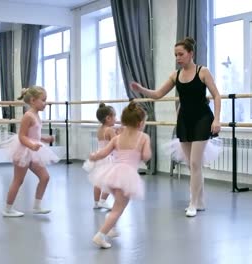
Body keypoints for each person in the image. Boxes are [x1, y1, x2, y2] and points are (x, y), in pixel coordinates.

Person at [130, 37, 222, 217]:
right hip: (185, 121)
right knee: (191, 164)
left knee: (195, 163)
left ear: (190, 54)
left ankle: (193, 203)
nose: (178, 58)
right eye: (175, 55)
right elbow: (157, 94)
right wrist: (141, 89)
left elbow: (217, 96)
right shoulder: (175, 75)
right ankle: (200, 200)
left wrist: (216, 120)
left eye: (181, 54)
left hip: (202, 119)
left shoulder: (202, 72)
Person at [88, 101, 151, 249]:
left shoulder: (117, 138)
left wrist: (94, 156)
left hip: (113, 173)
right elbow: (147, 156)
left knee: (118, 205)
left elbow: (103, 153)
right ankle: (101, 235)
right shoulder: (143, 138)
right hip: (126, 176)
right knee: (118, 208)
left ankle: (111, 228)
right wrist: (141, 154)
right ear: (141, 123)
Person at [2, 86, 59, 217]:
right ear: (33, 100)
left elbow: (34, 135)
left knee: (45, 177)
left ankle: (37, 206)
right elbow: (22, 136)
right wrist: (31, 146)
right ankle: (7, 209)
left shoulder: (36, 115)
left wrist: (45, 139)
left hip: (33, 150)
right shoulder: (28, 116)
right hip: (23, 150)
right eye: (43, 100)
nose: (45, 103)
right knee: (18, 180)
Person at [83, 103, 118, 210]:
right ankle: (103, 201)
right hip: (108, 158)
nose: (116, 119)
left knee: (98, 181)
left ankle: (96, 202)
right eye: (114, 116)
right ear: (108, 118)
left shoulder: (100, 129)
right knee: (111, 181)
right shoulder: (110, 130)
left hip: (99, 156)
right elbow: (116, 143)